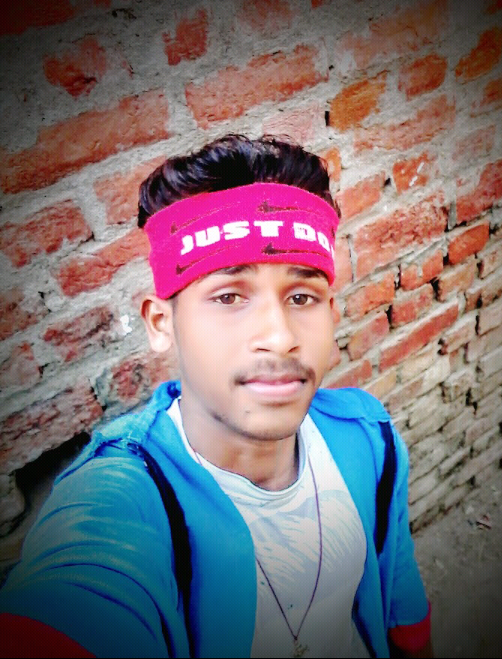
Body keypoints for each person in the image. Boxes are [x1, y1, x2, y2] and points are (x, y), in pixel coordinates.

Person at [0, 135, 433, 658]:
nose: (280, 336)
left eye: (302, 297)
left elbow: (402, 605)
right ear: (161, 324)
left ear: (332, 315)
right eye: (228, 297)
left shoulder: (370, 437)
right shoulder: (124, 503)